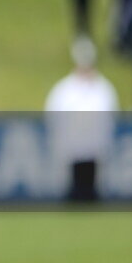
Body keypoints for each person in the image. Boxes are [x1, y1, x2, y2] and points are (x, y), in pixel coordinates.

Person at [44, 37, 119, 203]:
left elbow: (110, 116)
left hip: (95, 148)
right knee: (74, 186)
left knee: (92, 185)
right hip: (72, 148)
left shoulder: (103, 88)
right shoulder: (64, 89)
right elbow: (54, 115)